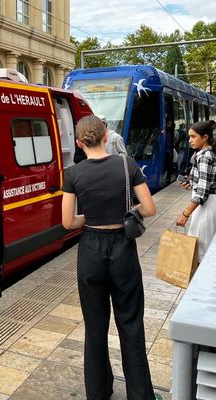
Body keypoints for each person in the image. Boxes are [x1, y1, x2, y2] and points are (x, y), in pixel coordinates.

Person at [62, 115, 156, 400]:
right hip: (122, 248)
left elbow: (68, 222)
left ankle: (99, 392)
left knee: (95, 326)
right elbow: (149, 208)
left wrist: (89, 216)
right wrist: (129, 212)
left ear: (79, 143)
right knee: (130, 323)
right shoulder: (126, 165)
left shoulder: (73, 173)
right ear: (106, 136)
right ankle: (140, 395)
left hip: (90, 248)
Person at [176, 121, 216, 262]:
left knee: (202, 253)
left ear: (205, 137)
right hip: (212, 203)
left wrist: (184, 214)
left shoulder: (204, 157)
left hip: (207, 207)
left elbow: (202, 193)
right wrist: (192, 183)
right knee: (207, 249)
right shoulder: (209, 153)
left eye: (193, 137)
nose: (190, 140)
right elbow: (205, 184)